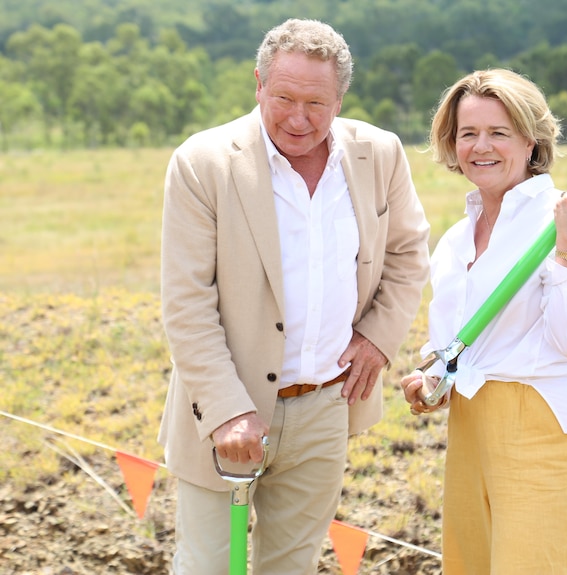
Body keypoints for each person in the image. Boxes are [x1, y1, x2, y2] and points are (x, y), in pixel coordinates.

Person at [158, 18, 430, 575]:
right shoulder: (202, 163)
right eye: (283, 98)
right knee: (207, 568)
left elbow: (408, 253)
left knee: (292, 568)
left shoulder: (380, 154)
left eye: (316, 103)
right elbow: (187, 303)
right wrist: (229, 411)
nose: (298, 118)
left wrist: (379, 337)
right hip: (223, 413)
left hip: (326, 408)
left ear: (340, 99)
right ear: (258, 83)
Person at [400, 69, 567, 575]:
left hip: (549, 426)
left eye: (499, 132)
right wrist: (434, 378)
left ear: (531, 139)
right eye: (468, 133)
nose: (481, 146)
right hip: (472, 426)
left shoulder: (566, 221)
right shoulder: (455, 238)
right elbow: (456, 347)